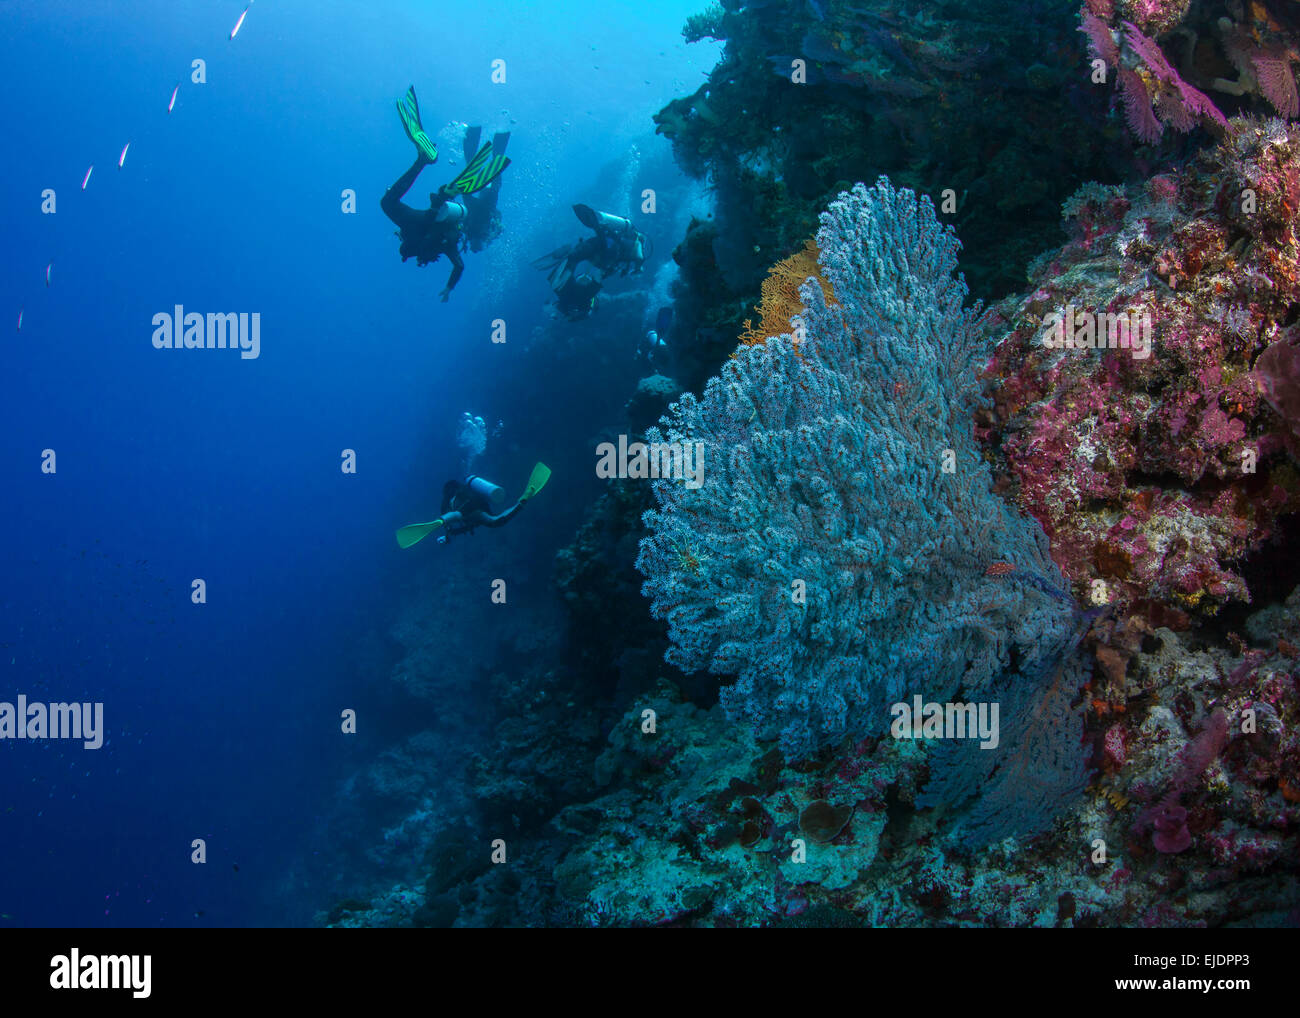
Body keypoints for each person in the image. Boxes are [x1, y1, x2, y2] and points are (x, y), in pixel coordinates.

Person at [381, 87, 511, 301]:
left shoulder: (446, 245)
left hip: (450, 209)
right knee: (387, 203)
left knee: (485, 186)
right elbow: (458, 265)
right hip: (440, 209)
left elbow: (459, 266)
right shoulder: (436, 240)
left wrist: (449, 288)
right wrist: (449, 288)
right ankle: (424, 162)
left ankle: (438, 170)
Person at [395, 463, 551, 549]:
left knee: (458, 515)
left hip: (466, 510)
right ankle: (522, 500)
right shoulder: (467, 489)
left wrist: (446, 531)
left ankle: (440, 520)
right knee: (495, 521)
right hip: (480, 504)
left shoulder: (448, 497)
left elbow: (454, 525)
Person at [533, 204, 648, 317]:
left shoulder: (634, 247)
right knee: (584, 257)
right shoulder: (633, 247)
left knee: (592, 255)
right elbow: (598, 274)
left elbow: (599, 274)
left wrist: (637, 269)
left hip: (598, 248)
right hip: (597, 251)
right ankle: (595, 232)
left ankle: (597, 230)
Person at [459, 126, 510, 253]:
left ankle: (475, 133)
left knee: (480, 172)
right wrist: (497, 222)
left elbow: (461, 218)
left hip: (483, 203)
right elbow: (497, 215)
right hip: (485, 202)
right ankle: (498, 133)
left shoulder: (470, 232)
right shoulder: (484, 234)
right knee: (491, 173)